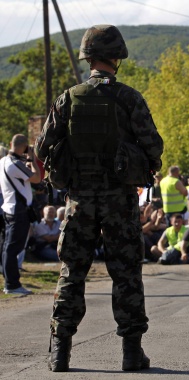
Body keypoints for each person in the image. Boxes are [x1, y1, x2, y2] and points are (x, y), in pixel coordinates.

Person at [35, 25, 164, 373]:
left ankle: (60, 353)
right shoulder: (129, 98)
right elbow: (154, 145)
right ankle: (131, 353)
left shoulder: (68, 97)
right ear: (116, 57)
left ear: (87, 57)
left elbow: (42, 147)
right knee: (126, 274)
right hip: (119, 201)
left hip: (79, 201)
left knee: (71, 273)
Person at [1, 134, 42, 294]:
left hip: (8, 208)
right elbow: (37, 178)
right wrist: (32, 160)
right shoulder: (15, 163)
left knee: (7, 247)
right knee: (13, 249)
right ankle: (12, 285)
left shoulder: (3, 161)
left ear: (11, 143)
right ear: (25, 147)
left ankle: (10, 282)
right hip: (18, 211)